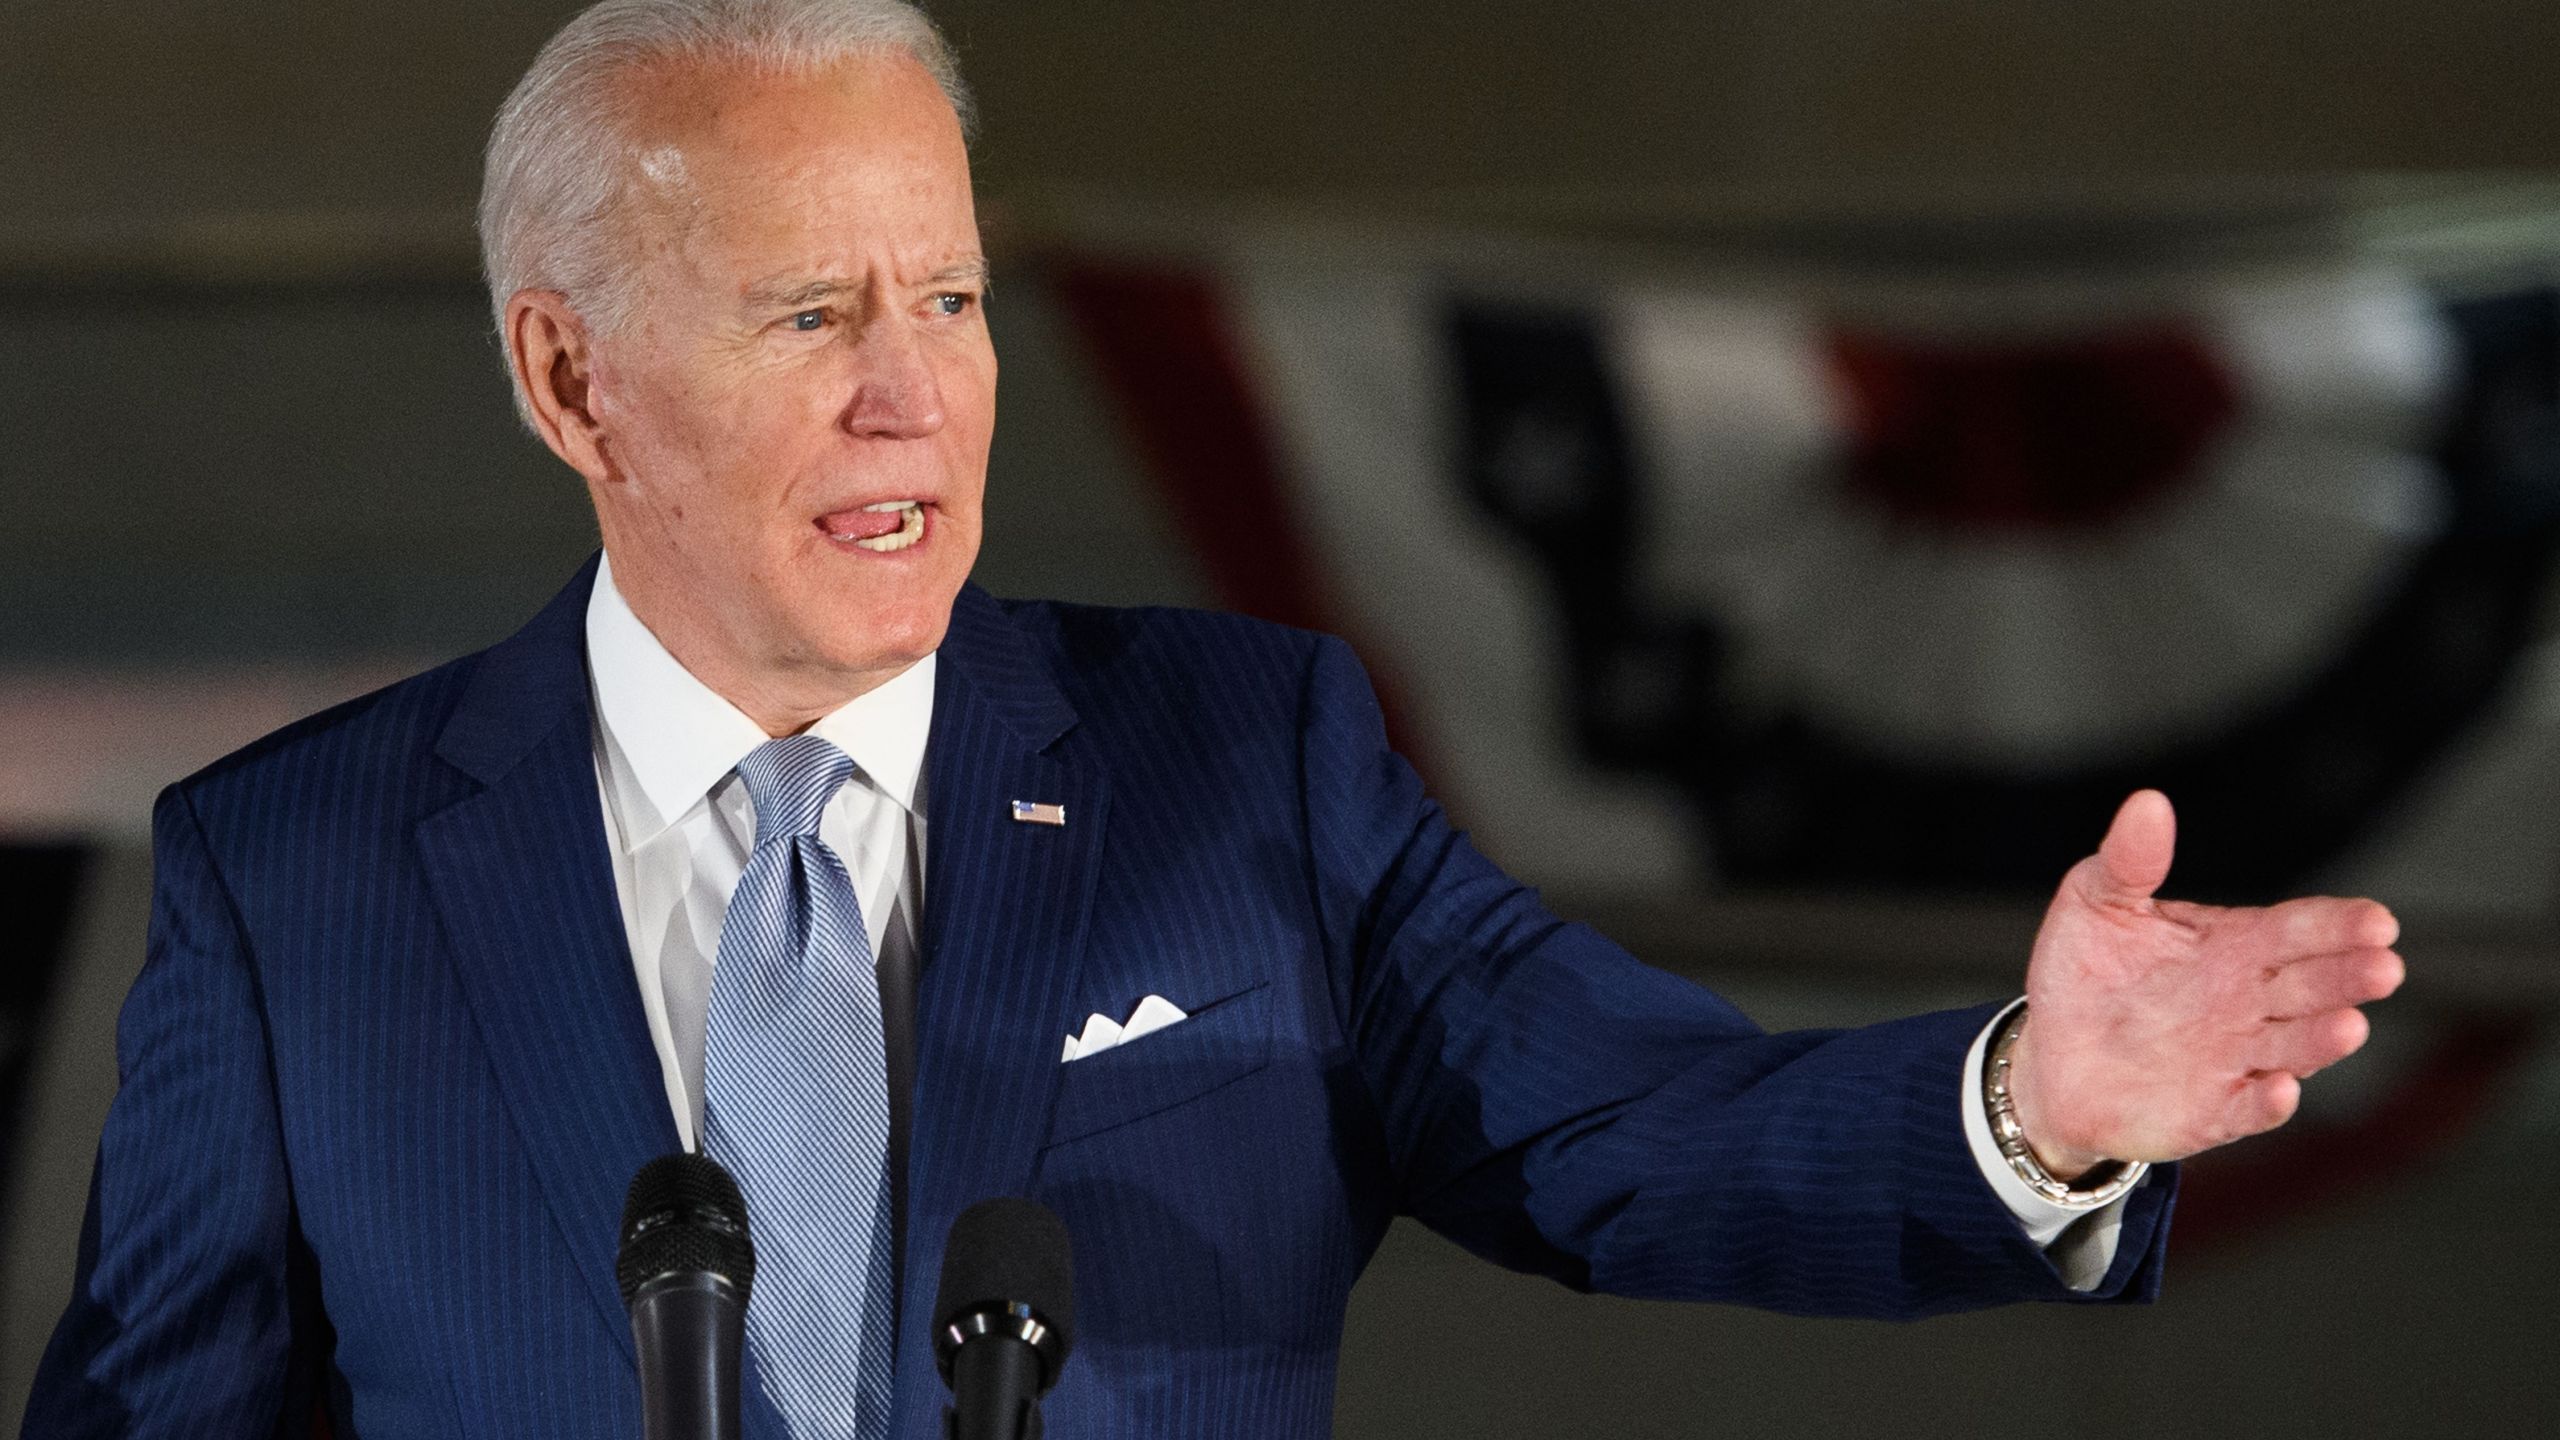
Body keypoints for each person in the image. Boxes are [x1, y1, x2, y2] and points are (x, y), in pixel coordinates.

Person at [25, 2, 2406, 1436]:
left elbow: (1634, 1129)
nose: (912, 399)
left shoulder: (1237, 764)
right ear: (572, 377)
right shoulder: (296, 876)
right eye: (803, 317)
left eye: (947, 297)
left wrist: (2028, 1100)